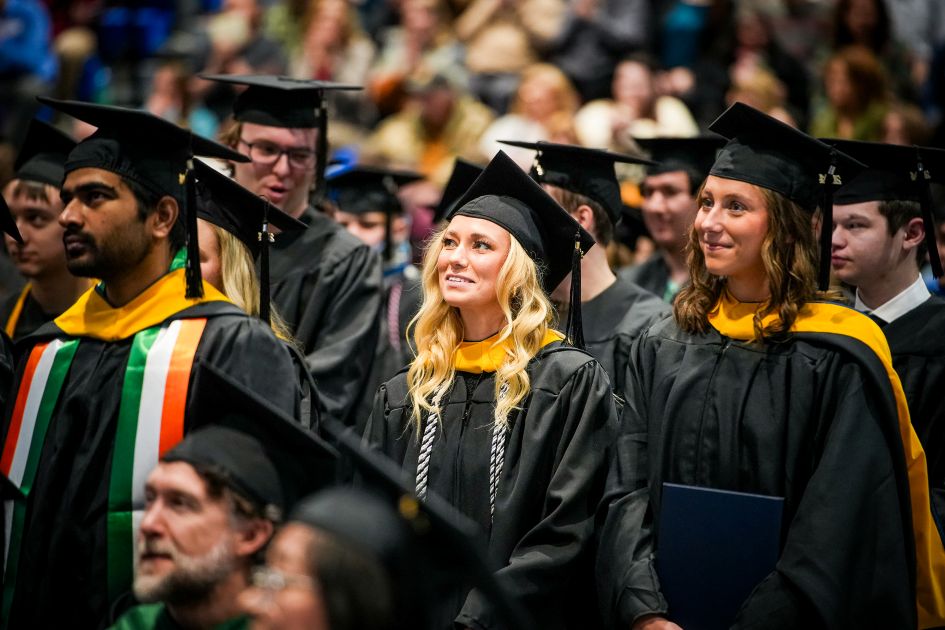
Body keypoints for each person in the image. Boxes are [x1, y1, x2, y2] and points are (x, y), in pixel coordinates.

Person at [597, 103, 945, 629]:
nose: (709, 222)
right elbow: (626, 487)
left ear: (784, 229)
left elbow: (834, 526)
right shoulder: (664, 342)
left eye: (736, 207)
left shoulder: (835, 355)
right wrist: (644, 608)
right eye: (708, 202)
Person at [0, 99, 303, 629]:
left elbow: (253, 532)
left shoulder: (231, 347)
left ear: (163, 216)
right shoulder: (45, 350)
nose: (69, 215)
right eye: (69, 198)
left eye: (95, 197)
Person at [364, 151, 616, 629]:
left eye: (480, 245)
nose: (455, 258)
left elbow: (565, 532)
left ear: (518, 269)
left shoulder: (565, 383)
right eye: (451, 242)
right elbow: (373, 522)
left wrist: (476, 621)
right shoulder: (408, 392)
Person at [204, 74, 383, 429]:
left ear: (317, 163)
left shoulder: (346, 261)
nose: (283, 169)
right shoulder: (202, 240)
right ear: (232, 146)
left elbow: (328, 396)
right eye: (266, 149)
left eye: (300, 155)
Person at [110, 362, 337, 630]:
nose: (148, 525)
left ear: (251, 535)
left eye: (180, 504)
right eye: (150, 499)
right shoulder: (132, 626)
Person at [828, 139, 945, 518]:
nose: (834, 240)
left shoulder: (938, 340)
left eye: (855, 225)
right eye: (831, 225)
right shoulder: (824, 329)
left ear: (912, 234)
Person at [497, 139, 669, 396]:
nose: (524, 222)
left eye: (538, 208)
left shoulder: (649, 326)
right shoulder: (519, 315)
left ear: (582, 219)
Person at [328, 165, 424, 429]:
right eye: (343, 224)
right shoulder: (324, 289)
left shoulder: (416, 295)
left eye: (368, 224)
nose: (353, 235)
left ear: (399, 229)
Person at [0, 119, 91, 340]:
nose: (16, 234)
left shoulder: (108, 317)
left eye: (36, 218)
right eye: (11, 218)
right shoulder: (4, 319)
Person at [621, 136, 726, 302]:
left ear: (704, 200)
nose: (655, 206)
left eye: (670, 192)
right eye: (648, 192)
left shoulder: (726, 285)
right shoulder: (629, 284)